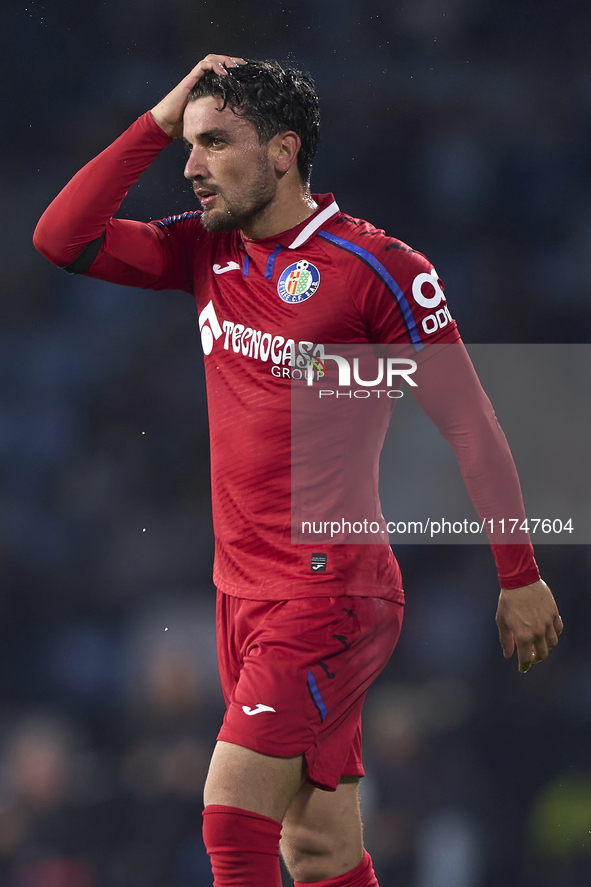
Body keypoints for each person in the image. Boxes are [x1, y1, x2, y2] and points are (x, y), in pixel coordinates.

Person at [34, 54, 563, 887]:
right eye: (188, 143)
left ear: (282, 152)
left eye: (214, 143)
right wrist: (159, 117)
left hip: (330, 593)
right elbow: (60, 237)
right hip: (241, 594)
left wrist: (518, 572)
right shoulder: (202, 252)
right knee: (318, 850)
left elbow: (469, 421)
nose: (191, 164)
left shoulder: (381, 268)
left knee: (230, 820)